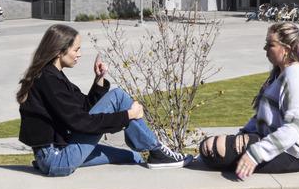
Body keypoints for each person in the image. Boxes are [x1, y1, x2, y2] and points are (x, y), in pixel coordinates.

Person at [16, 23, 184, 174]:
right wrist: (127, 116)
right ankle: (157, 150)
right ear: (59, 51)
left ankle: (155, 152)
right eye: (76, 49)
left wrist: (99, 79)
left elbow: (84, 107)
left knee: (133, 156)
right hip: (57, 158)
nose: (79, 54)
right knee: (118, 96)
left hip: (59, 152)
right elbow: (82, 122)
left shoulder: (52, 76)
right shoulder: (48, 80)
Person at [195, 21, 299, 178]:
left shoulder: (298, 77)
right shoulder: (281, 74)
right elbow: (262, 117)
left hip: (295, 154)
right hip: (276, 142)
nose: (265, 48)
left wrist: (254, 155)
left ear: (286, 49)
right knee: (209, 147)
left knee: (213, 150)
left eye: (270, 45)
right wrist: (243, 134)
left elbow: (295, 127)